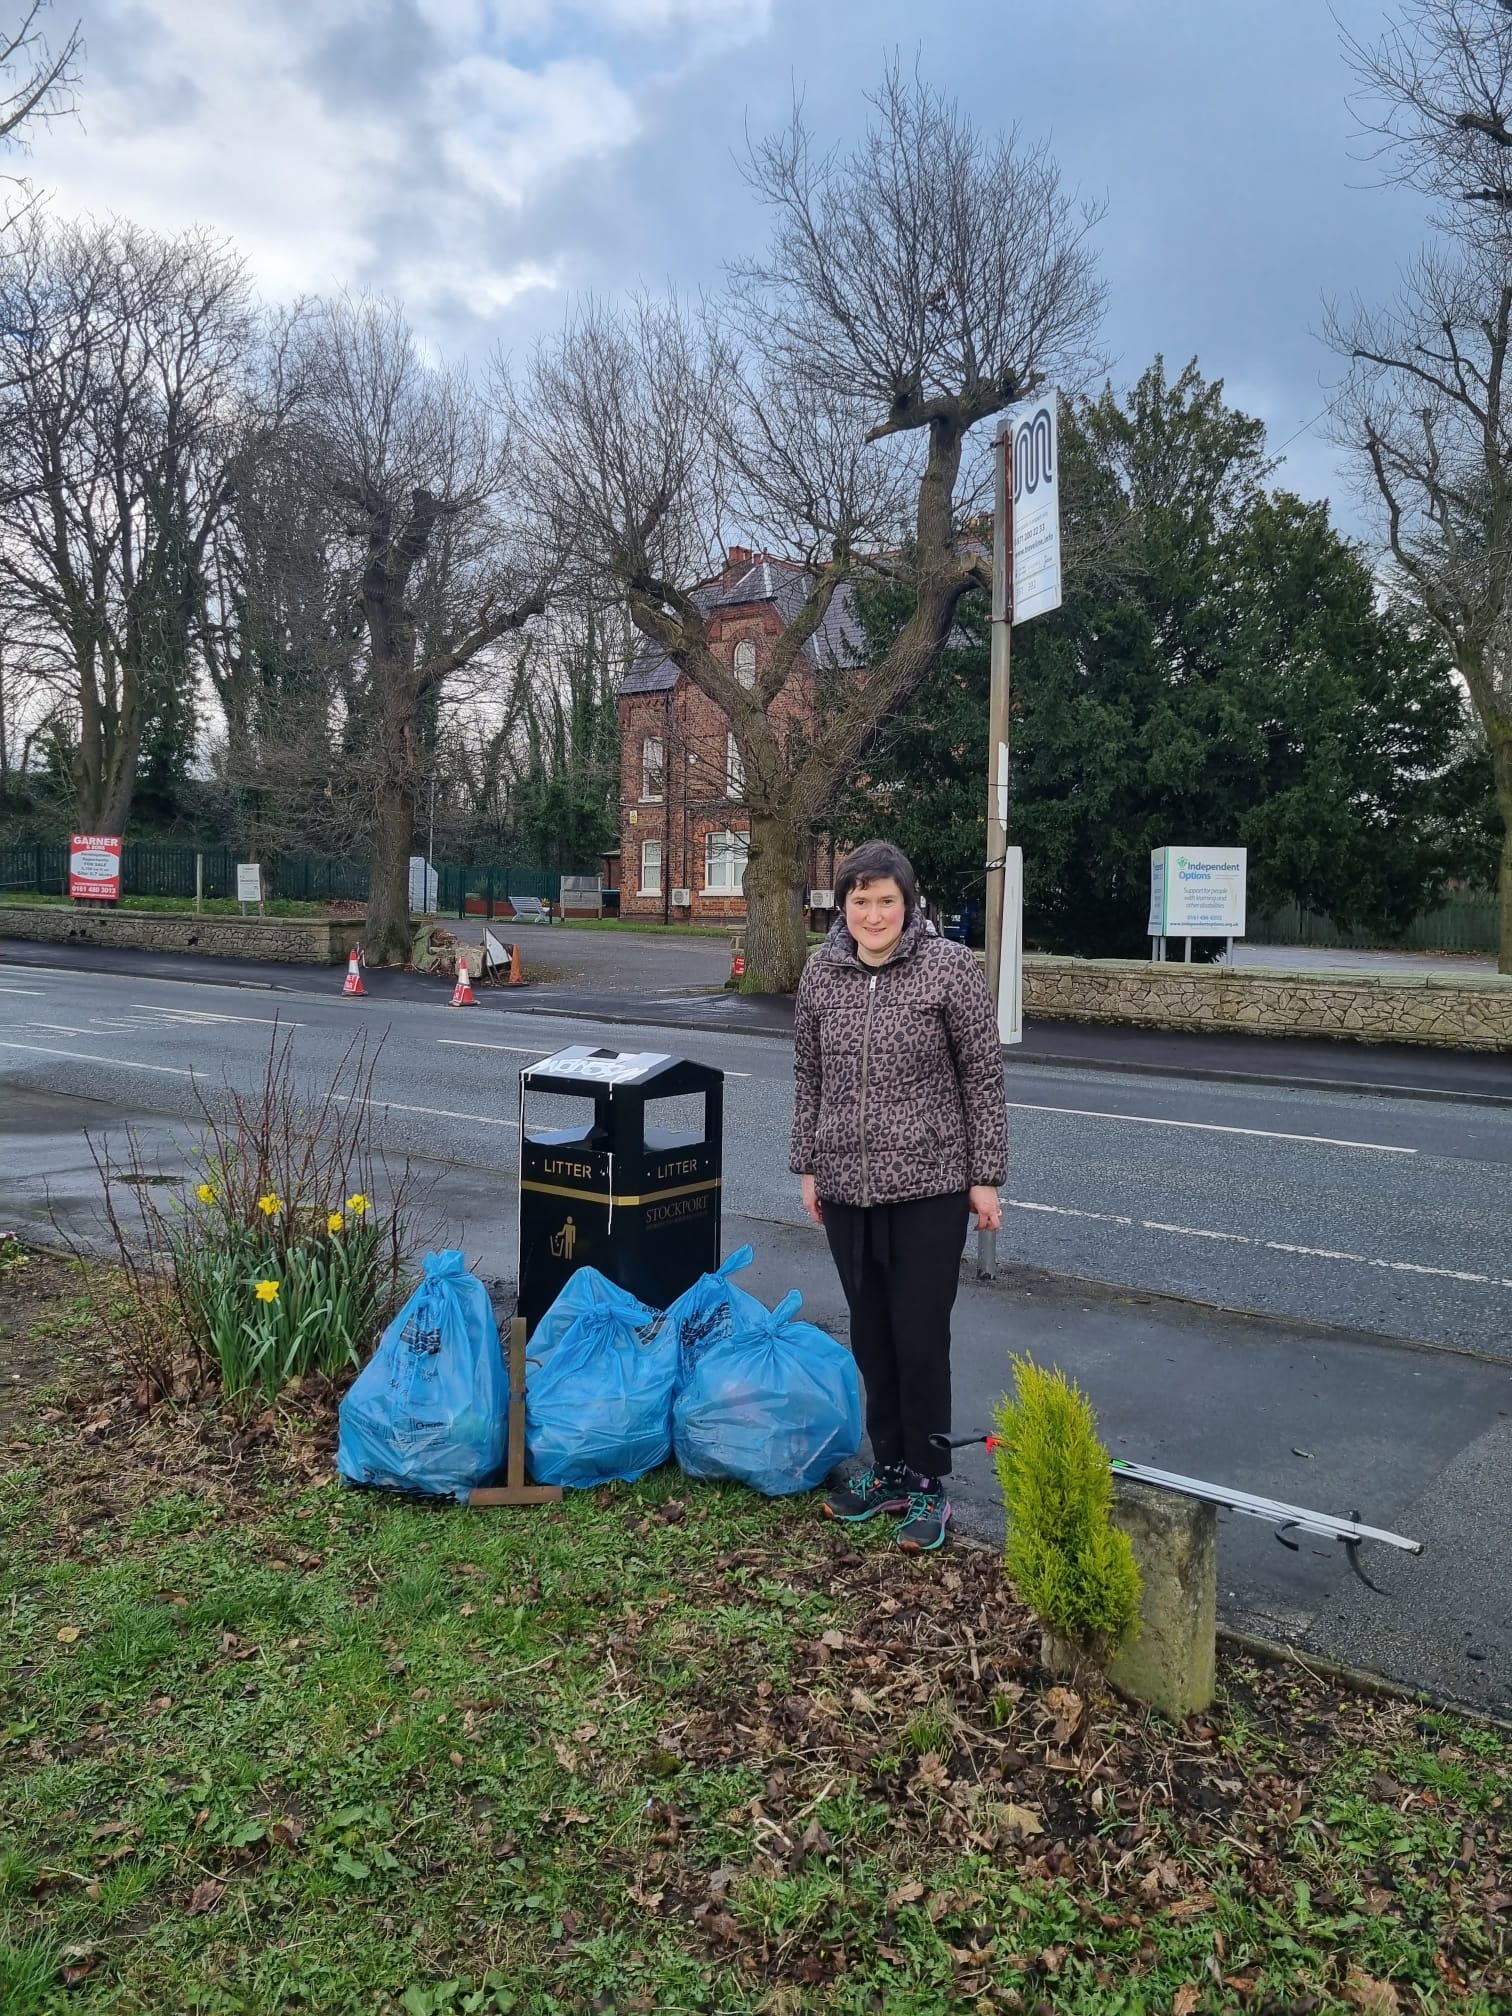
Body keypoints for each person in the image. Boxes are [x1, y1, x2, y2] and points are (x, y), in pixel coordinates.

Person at [790, 839, 1007, 1552]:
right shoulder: (821, 974)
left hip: (930, 1188)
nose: (874, 913)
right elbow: (809, 1077)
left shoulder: (949, 969)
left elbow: (982, 1078)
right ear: (842, 905)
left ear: (908, 904)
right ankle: (887, 1468)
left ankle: (928, 1482)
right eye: (861, 900)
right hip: (847, 1187)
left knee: (919, 1338)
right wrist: (809, 1165)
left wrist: (985, 1177)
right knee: (871, 1336)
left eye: (886, 900)